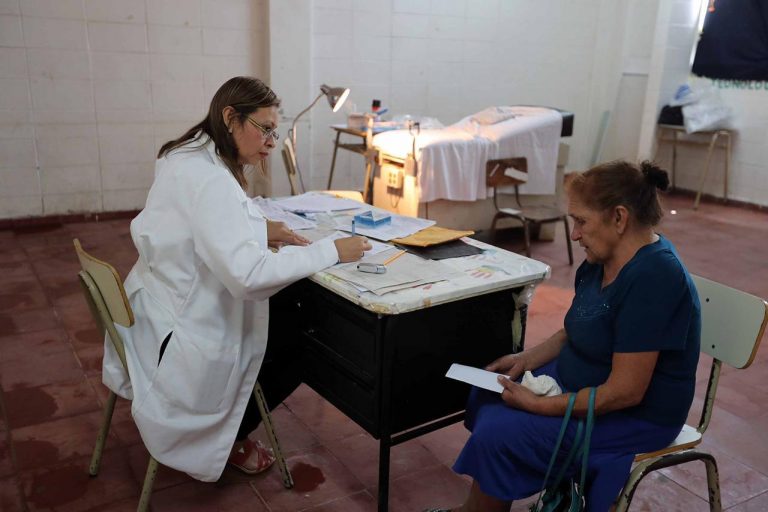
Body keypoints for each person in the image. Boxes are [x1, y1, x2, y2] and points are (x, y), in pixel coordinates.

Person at [102, 76, 371, 482]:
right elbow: (247, 277)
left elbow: (195, 226)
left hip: (154, 313)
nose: (271, 142)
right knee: (304, 345)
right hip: (187, 332)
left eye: (275, 132)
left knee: (289, 310)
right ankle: (234, 435)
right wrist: (332, 250)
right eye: (265, 129)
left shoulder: (185, 153)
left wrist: (259, 229)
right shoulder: (212, 180)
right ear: (231, 118)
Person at [426, 160, 701, 512]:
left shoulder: (654, 278)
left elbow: (626, 392)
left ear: (619, 218)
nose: (574, 235)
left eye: (581, 221)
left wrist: (539, 405)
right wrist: (526, 359)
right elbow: (577, 327)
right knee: (491, 392)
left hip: (636, 415)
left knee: (501, 432)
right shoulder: (602, 259)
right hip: (591, 377)